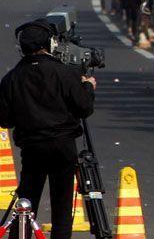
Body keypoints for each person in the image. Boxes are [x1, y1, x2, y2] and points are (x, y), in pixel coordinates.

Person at [0, 19, 96, 239]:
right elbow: (84, 108)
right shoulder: (64, 73)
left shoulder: (12, 78)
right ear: (51, 44)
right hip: (63, 146)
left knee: (26, 202)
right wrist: (88, 86)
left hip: (32, 147)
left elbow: (4, 120)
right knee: (62, 207)